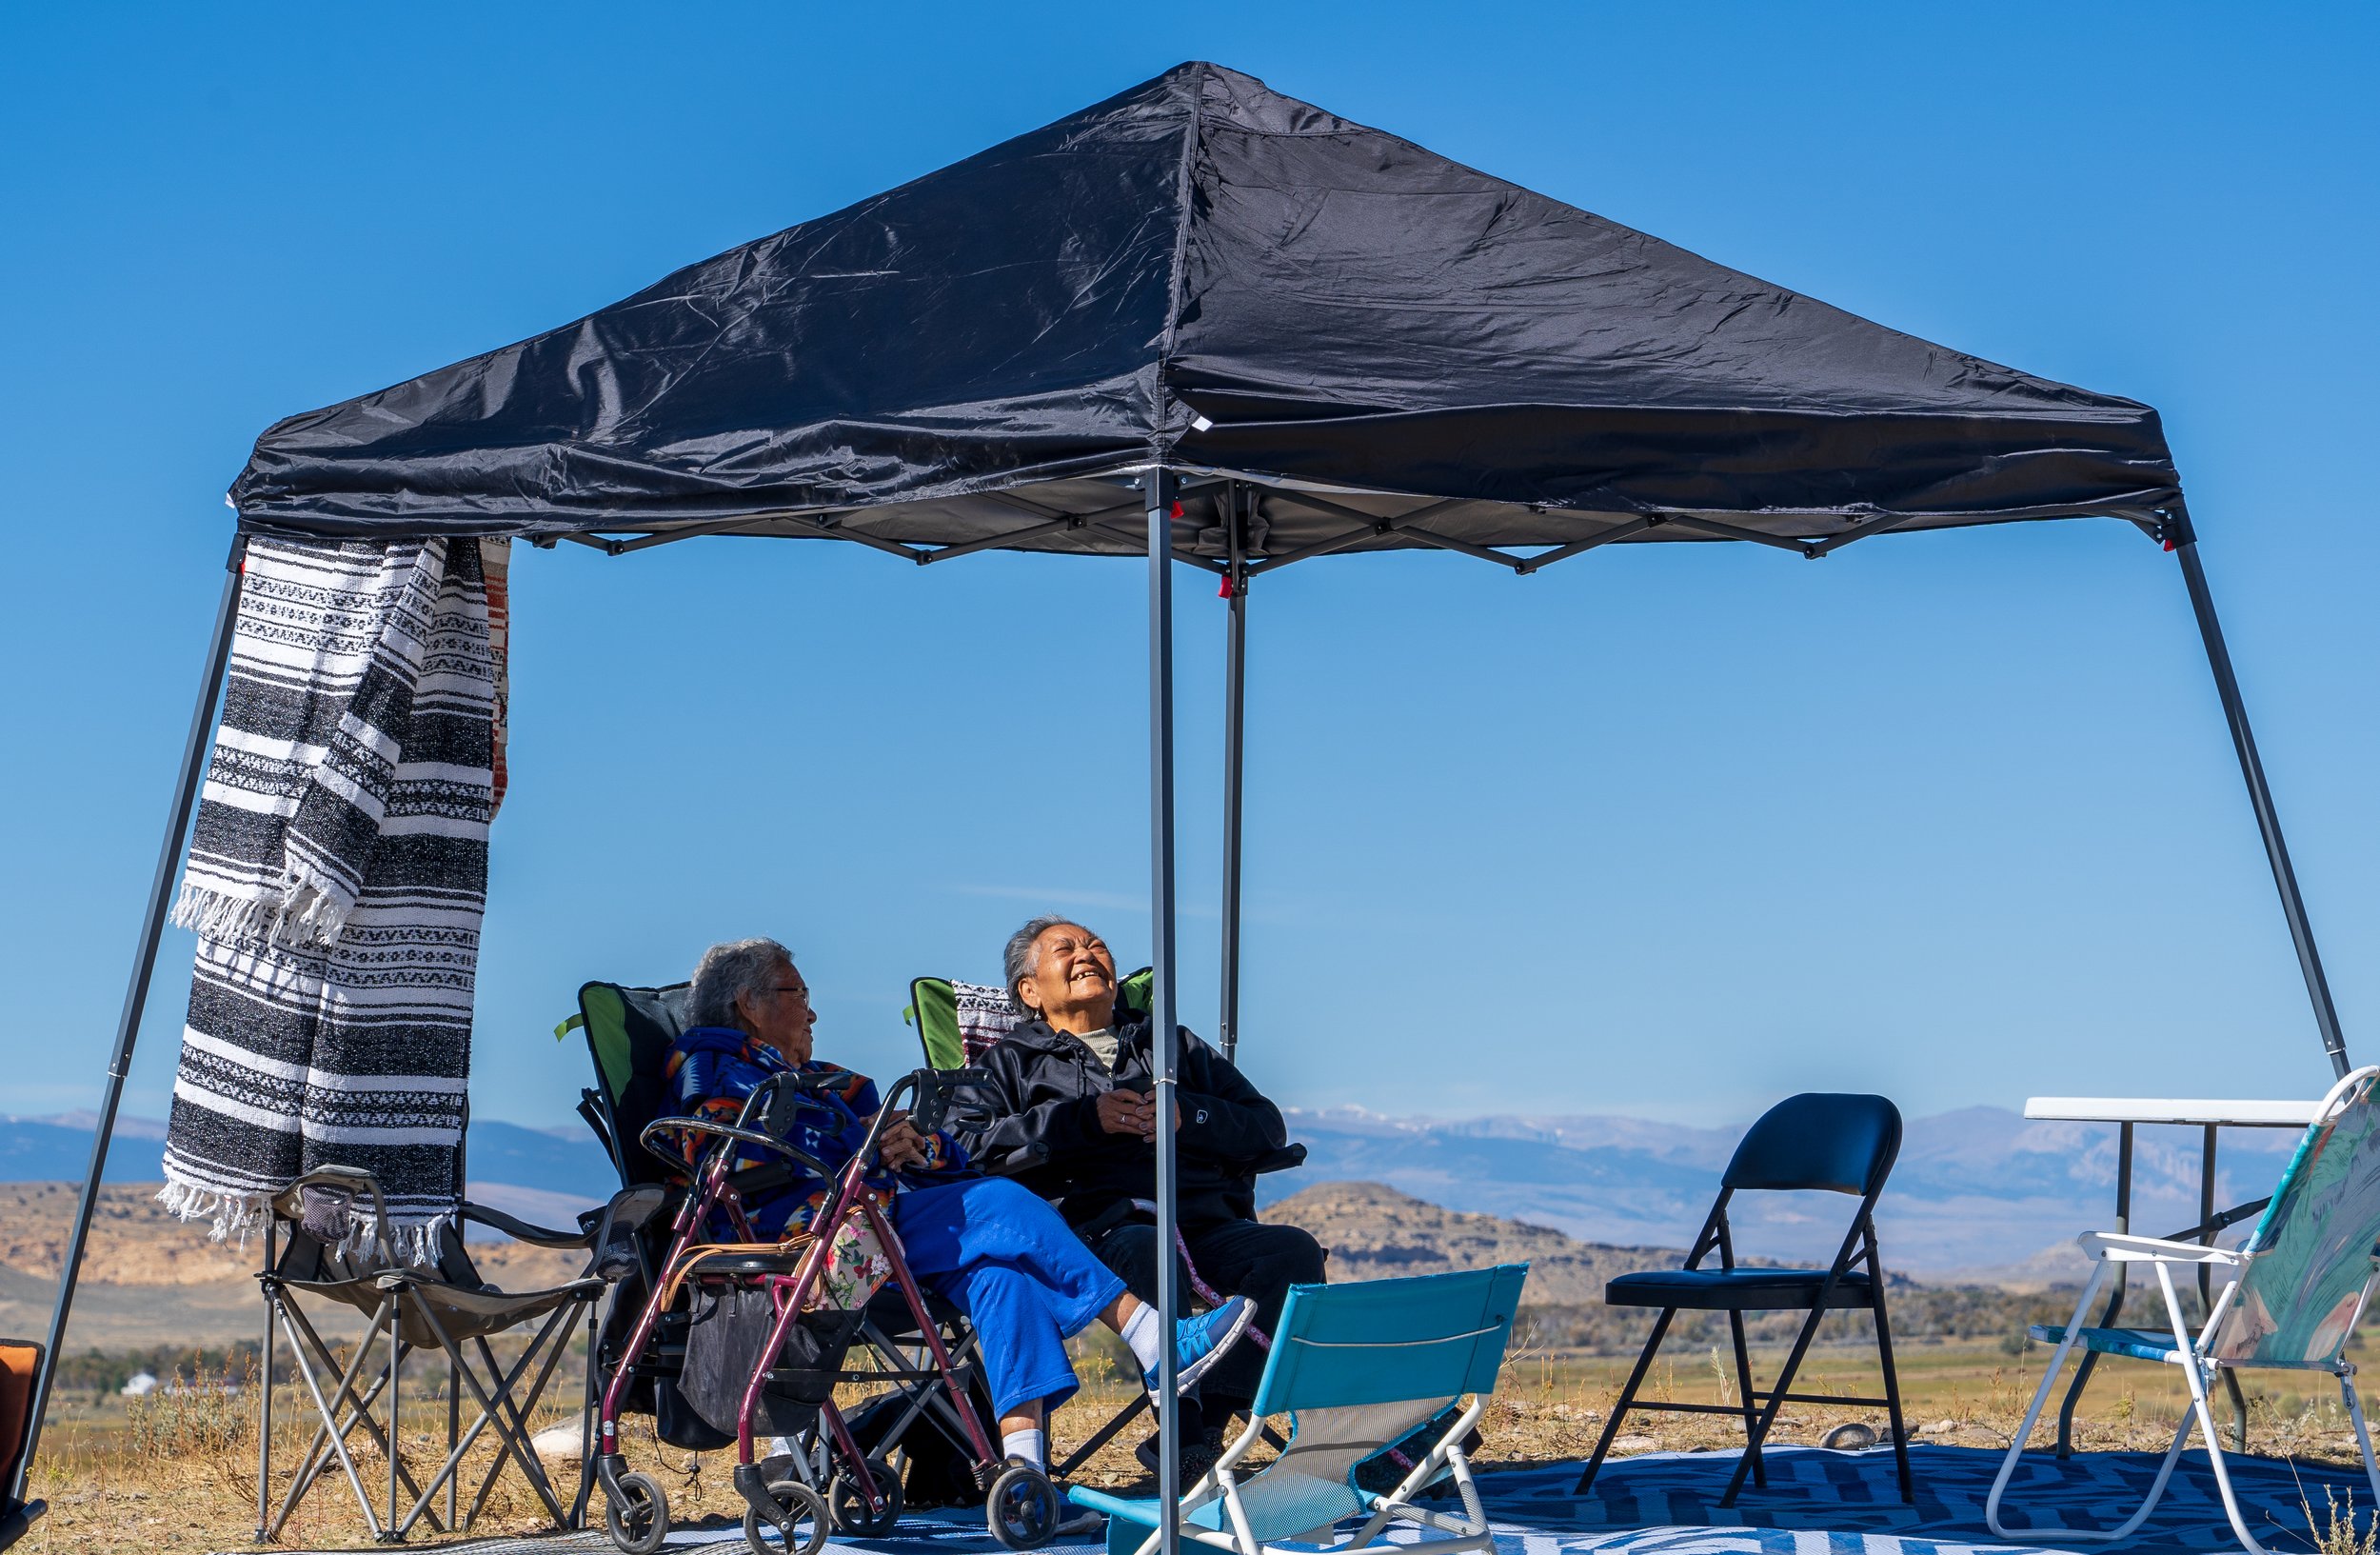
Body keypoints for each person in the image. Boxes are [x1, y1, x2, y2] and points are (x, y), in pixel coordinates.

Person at [666, 937, 1251, 1478]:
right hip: (807, 1246)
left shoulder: (828, 1082)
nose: (813, 1013)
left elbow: (948, 1157)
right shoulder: (711, 1066)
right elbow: (726, 1157)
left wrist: (917, 1145)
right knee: (996, 1201)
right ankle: (1155, 1339)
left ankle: (1025, 1474)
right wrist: (865, 1153)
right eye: (800, 995)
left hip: (884, 1235)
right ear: (748, 1003)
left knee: (1002, 1277)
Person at [948, 916, 1326, 1474]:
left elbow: (1265, 1126)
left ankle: (1210, 1421)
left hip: (1201, 1221)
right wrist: (1081, 1122)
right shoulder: (1010, 1062)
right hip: (1091, 1231)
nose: (1086, 954)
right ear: (1029, 991)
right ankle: (1183, 1434)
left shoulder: (1169, 1043)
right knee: (1148, 1251)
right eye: (1065, 949)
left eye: (1094, 944)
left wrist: (1187, 1115)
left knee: (1291, 1251)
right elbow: (963, 1145)